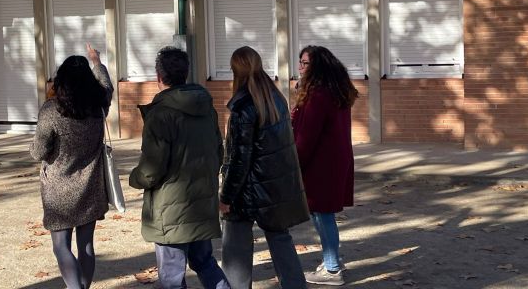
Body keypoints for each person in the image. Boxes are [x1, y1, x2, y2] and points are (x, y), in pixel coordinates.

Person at [129, 46, 230, 289]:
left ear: (159, 76)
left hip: (170, 209)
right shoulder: (206, 107)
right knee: (204, 261)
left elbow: (151, 170)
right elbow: (218, 151)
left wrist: (136, 178)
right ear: (185, 73)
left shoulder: (160, 114)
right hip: (200, 202)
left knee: (172, 276)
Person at [219, 46, 310, 289]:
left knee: (235, 247)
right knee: (281, 241)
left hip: (248, 190)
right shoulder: (275, 99)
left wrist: (226, 197)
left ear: (235, 71)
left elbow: (240, 159)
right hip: (274, 188)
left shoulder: (243, 108)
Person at [30, 43, 113, 289]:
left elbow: (39, 152)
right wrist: (96, 62)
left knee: (60, 246)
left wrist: (32, 149)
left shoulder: (51, 111)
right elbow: (107, 86)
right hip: (91, 186)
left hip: (58, 190)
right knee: (86, 245)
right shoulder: (99, 106)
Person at [292, 45, 358, 286]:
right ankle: (331, 262)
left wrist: (294, 164)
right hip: (331, 160)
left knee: (323, 215)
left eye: (305, 63)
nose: (300, 67)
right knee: (321, 214)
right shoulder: (334, 91)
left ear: (318, 67)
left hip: (321, 164)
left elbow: (306, 136)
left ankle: (332, 269)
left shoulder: (318, 95)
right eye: (300, 62)